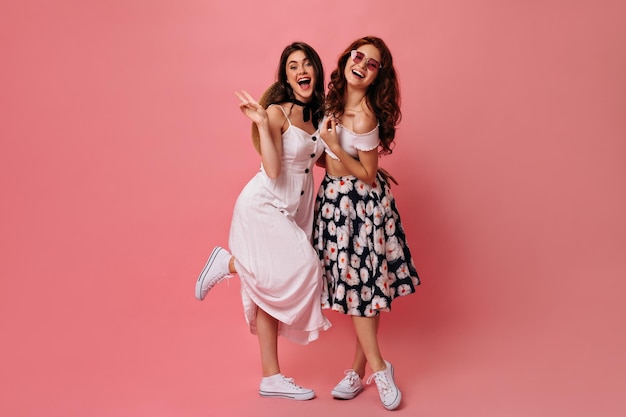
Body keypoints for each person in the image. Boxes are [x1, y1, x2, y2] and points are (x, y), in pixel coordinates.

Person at [195, 42, 331, 400]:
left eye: (306, 64)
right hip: (265, 205)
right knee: (306, 267)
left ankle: (271, 377)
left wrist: (358, 164)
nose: (301, 70)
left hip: (294, 210)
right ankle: (229, 262)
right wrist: (260, 121)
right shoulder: (277, 111)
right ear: (286, 77)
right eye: (292, 66)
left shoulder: (318, 113)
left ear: (315, 70)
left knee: (271, 290)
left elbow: (315, 159)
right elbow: (273, 169)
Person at [313, 36, 420, 410]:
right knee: (362, 292)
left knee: (361, 291)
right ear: (346, 60)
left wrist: (336, 146)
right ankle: (357, 371)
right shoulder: (332, 104)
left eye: (372, 63)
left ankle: (379, 367)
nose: (361, 64)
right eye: (358, 56)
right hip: (333, 203)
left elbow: (369, 174)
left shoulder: (365, 115)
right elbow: (328, 163)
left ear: (377, 77)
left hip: (360, 208)